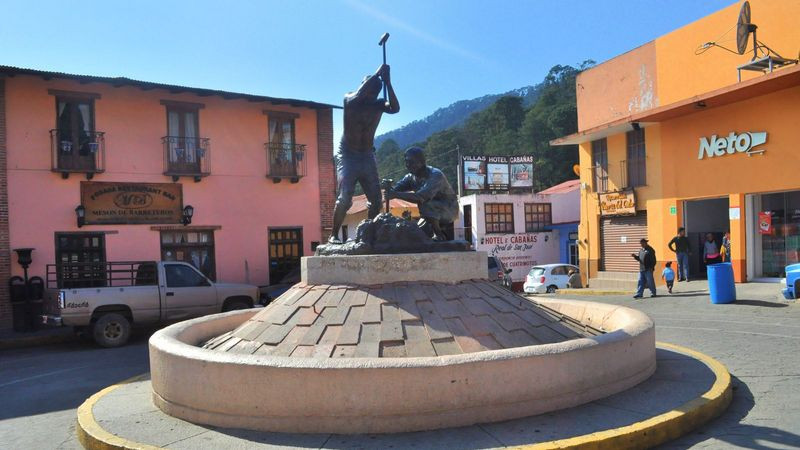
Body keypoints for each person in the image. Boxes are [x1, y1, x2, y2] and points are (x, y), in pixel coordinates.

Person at [329, 64, 400, 243]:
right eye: (369, 88)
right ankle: (333, 235)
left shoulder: (378, 104)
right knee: (345, 198)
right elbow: (361, 93)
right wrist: (377, 75)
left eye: (376, 91)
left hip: (367, 155)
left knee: (376, 200)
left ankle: (368, 234)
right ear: (363, 86)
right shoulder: (350, 100)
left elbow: (395, 108)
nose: (372, 94)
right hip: (347, 155)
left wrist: (388, 83)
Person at [384, 147, 458, 240]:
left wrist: (395, 194)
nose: (408, 165)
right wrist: (388, 187)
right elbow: (395, 190)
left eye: (411, 162)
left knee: (425, 203)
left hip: (449, 209)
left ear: (422, 162)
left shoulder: (435, 175)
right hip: (430, 212)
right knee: (417, 233)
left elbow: (421, 197)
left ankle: (439, 235)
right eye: (406, 162)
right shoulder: (410, 177)